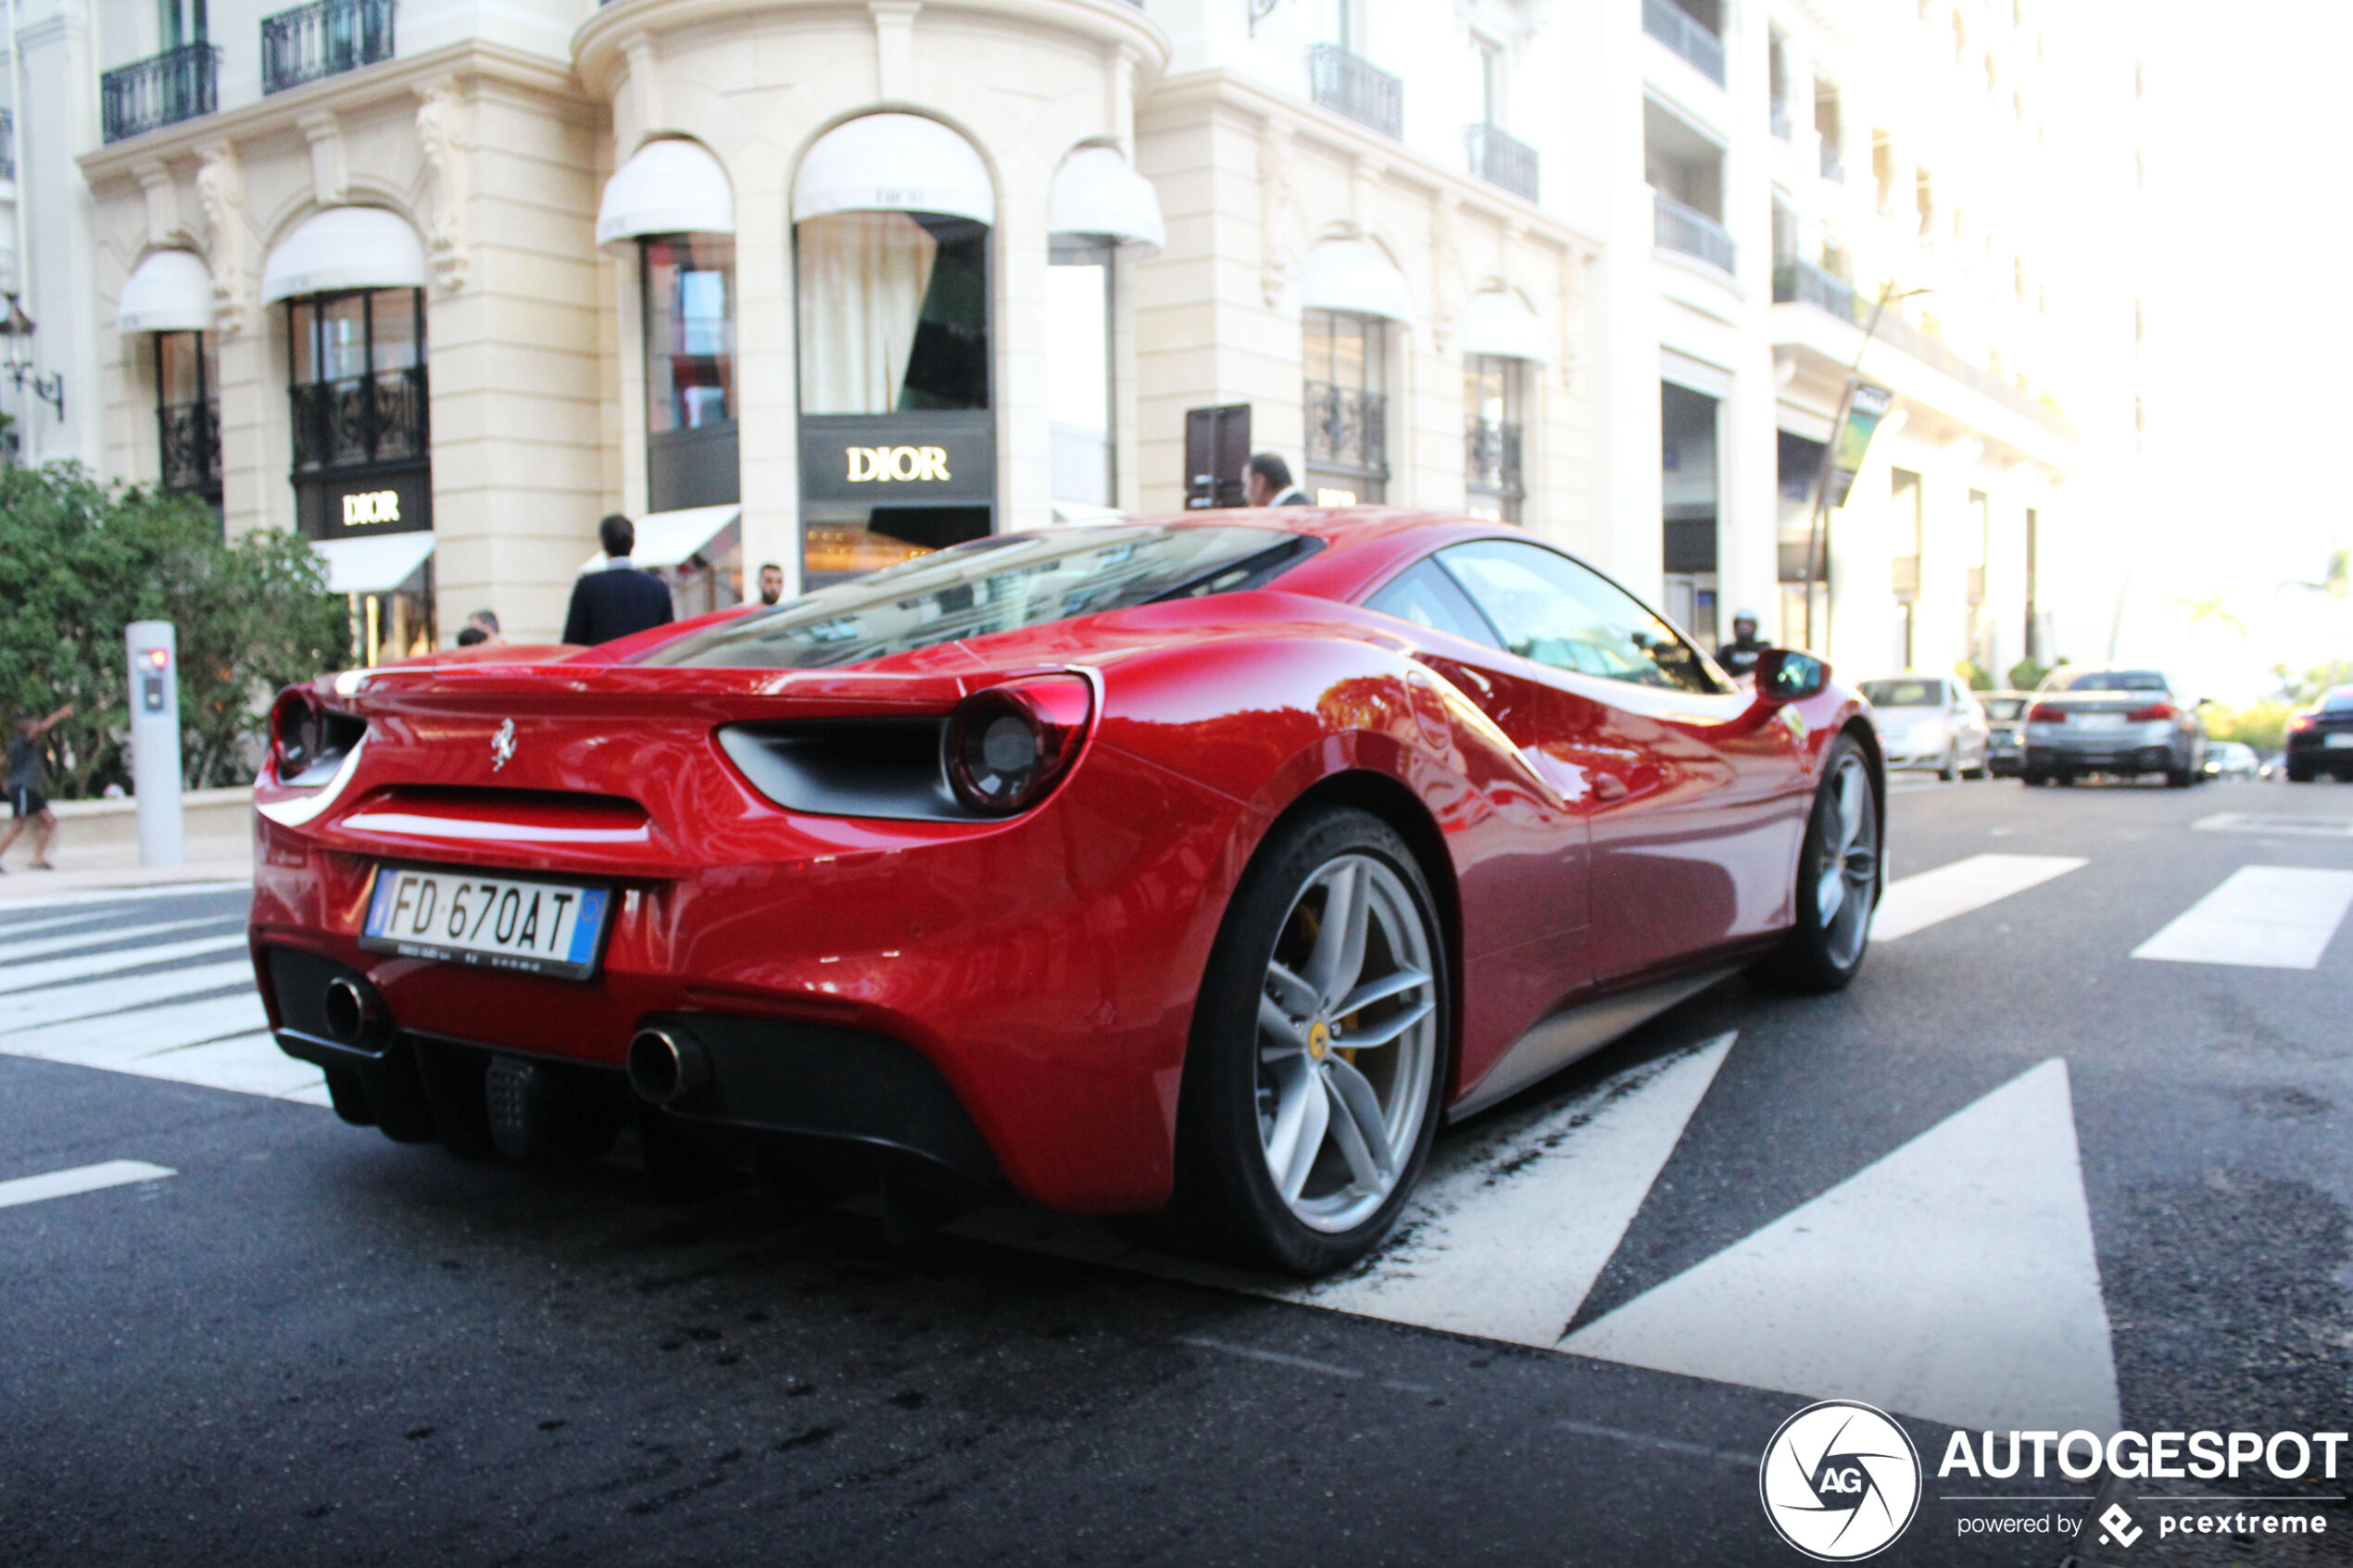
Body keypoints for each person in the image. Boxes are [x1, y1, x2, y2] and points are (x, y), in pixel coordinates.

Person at [562, 514, 675, 646]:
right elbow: (668, 644)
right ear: (633, 542)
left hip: (602, 665)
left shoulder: (587, 587)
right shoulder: (658, 588)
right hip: (643, 664)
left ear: (603, 542)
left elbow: (572, 643)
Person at [1, 701, 76, 872]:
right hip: (23, 788)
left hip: (30, 789)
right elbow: (40, 729)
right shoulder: (22, 743)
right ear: (27, 730)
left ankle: (38, 859)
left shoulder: (17, 745)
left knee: (49, 821)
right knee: (18, 825)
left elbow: (2, 763)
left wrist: (4, 783)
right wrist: (60, 714)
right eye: (33, 727)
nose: (37, 730)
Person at [1243, 453, 1313, 508]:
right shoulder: (1310, 508)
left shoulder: (1281, 516)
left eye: (1246, 485)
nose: (1245, 494)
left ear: (1259, 482)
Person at [1716, 608, 1769, 678]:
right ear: (1735, 628)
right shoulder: (1726, 651)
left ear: (1754, 627)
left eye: (1747, 625)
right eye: (1741, 625)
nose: (1744, 628)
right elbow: (1718, 674)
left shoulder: (1763, 649)